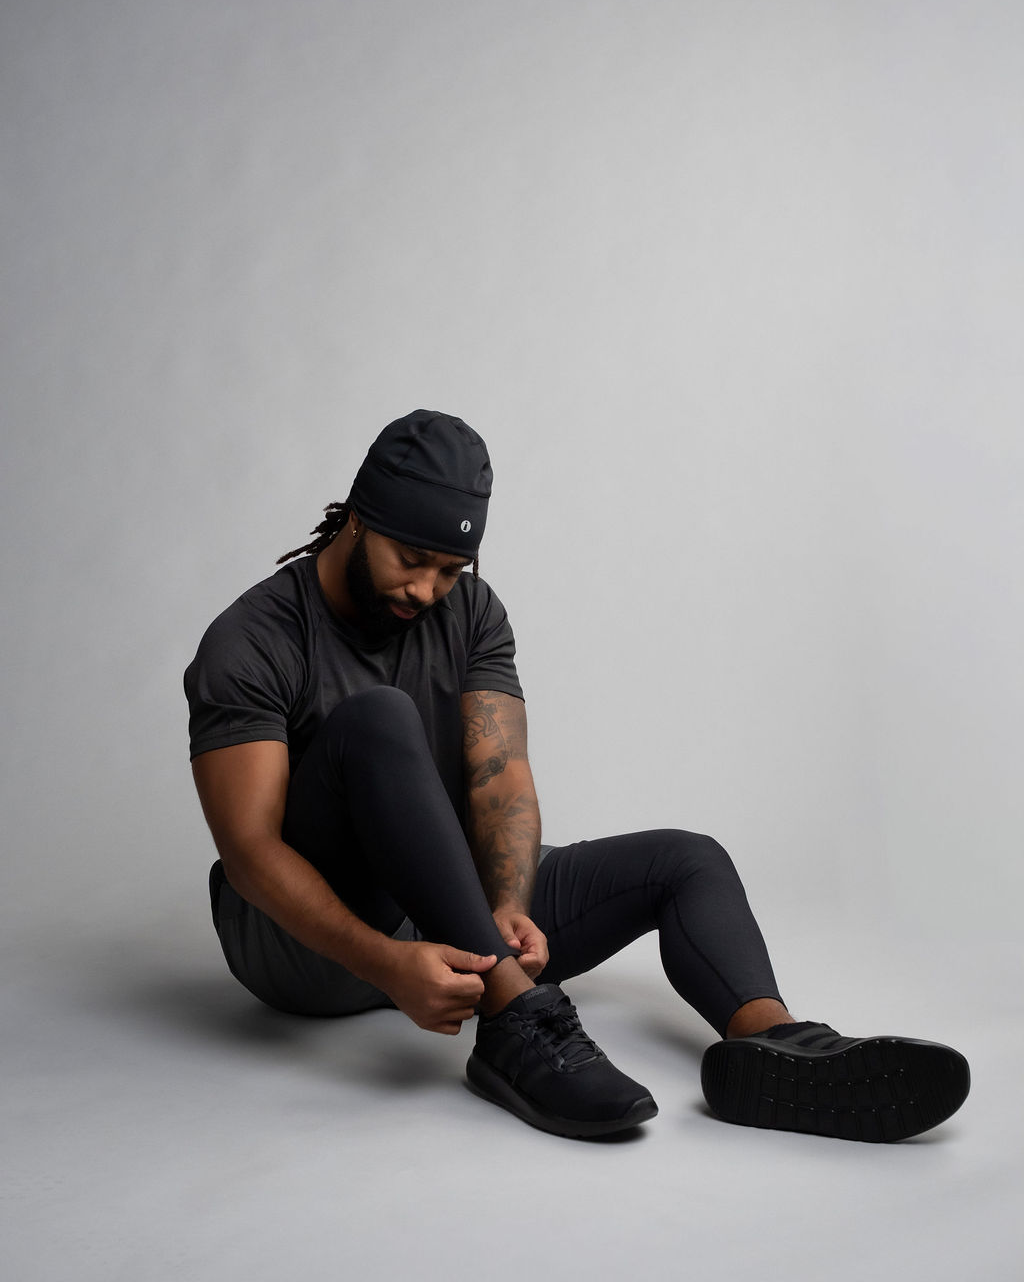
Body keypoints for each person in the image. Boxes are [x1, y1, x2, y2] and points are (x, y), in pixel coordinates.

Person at [184, 410, 969, 1142]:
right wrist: (384, 964)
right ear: (358, 520)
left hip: (438, 911)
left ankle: (780, 1047)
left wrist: (507, 902)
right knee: (378, 720)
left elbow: (501, 778)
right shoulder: (254, 638)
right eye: (411, 561)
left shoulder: (472, 612)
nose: (427, 590)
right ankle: (514, 1026)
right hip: (300, 947)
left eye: (451, 569)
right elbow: (249, 852)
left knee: (686, 859)